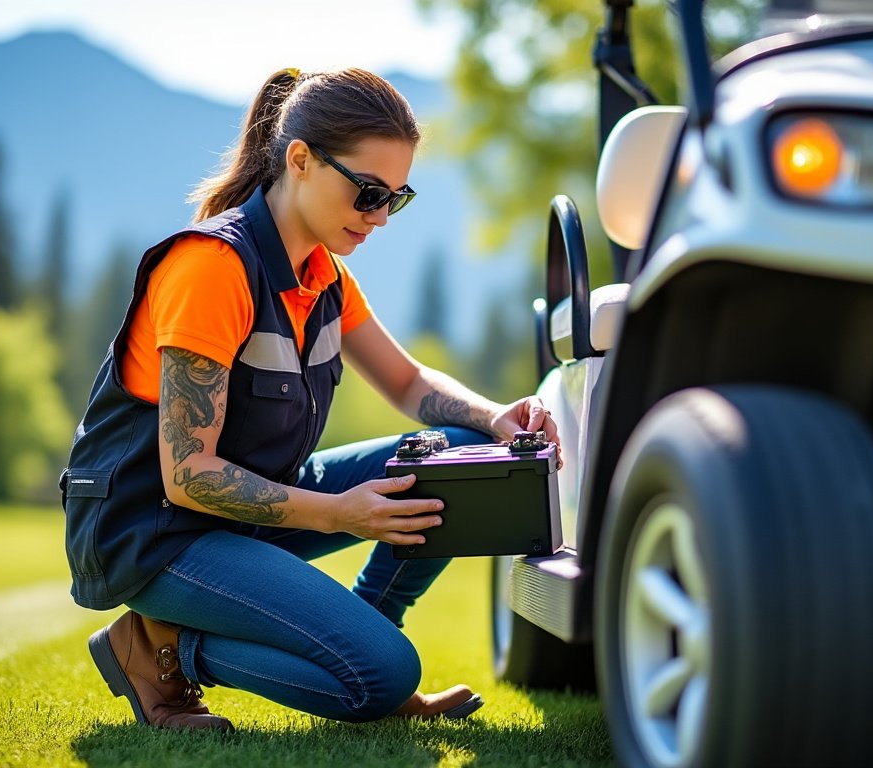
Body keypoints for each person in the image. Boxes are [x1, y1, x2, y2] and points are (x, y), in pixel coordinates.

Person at [60, 66, 558, 732]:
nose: (379, 217)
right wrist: (337, 513)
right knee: (386, 676)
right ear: (299, 159)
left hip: (250, 508)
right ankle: (162, 646)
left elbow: (408, 383)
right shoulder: (210, 268)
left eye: (396, 198)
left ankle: (360, 640)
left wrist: (494, 417)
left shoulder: (324, 276)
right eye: (367, 193)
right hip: (154, 531)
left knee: (467, 454)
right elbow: (188, 476)